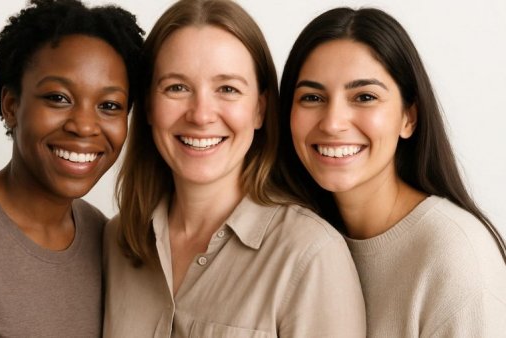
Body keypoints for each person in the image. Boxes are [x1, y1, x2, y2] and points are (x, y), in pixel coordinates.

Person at [103, 0, 366, 337]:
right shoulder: (116, 241)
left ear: (259, 109)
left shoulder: (309, 255)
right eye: (176, 87)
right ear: (150, 106)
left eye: (227, 89)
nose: (201, 114)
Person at [0, 0, 143, 336]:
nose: (85, 126)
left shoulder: (102, 237)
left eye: (109, 105)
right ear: (11, 106)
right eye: (58, 98)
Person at [275, 6, 506, 337]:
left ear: (408, 118)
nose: (333, 122)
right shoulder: (295, 240)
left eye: (365, 97)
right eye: (312, 97)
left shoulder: (456, 259)